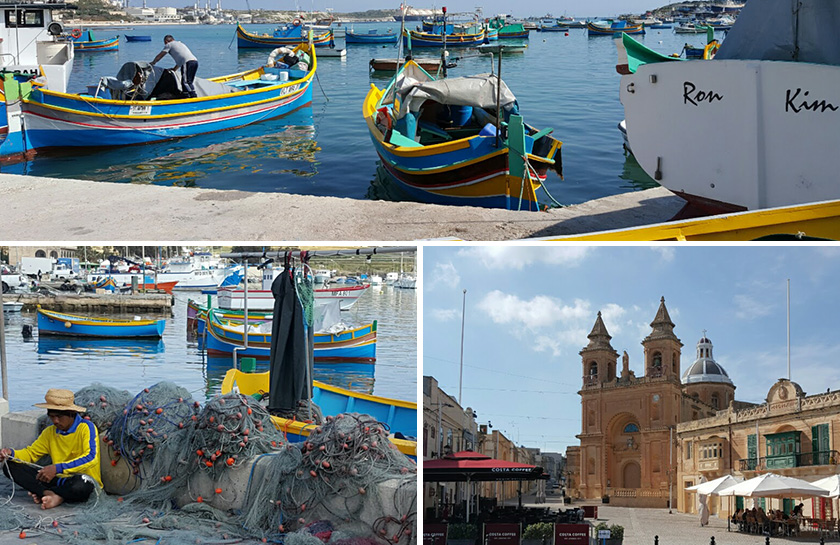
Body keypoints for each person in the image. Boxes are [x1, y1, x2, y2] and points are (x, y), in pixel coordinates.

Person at [0, 389, 102, 509]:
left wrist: (57, 468)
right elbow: (31, 454)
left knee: (81, 485)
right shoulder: (49, 432)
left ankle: (50, 494)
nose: (55, 421)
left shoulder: (86, 428)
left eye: (59, 416)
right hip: (57, 480)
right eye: (52, 416)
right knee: (10, 466)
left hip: (80, 479)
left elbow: (91, 458)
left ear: (72, 413)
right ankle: (49, 494)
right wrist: (11, 453)